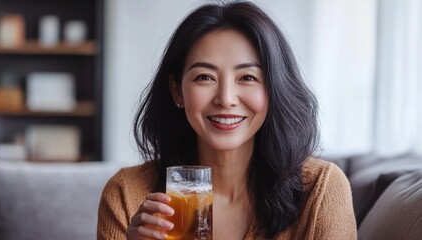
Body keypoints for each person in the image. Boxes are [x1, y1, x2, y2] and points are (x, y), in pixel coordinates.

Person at [97, 1, 357, 239]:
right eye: (205, 77)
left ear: (273, 89)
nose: (226, 98)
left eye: (247, 77)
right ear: (177, 91)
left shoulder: (322, 190)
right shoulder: (126, 194)